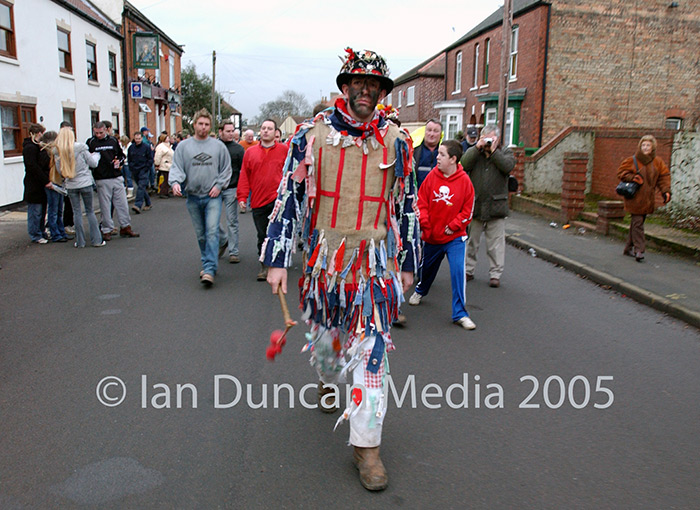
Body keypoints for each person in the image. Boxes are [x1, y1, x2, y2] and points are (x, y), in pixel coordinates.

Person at [263, 48, 419, 491]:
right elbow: (288, 200)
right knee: (327, 349)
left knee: (371, 358)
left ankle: (366, 448)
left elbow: (406, 205)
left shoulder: (397, 141)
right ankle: (329, 381)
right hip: (324, 269)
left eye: (375, 85)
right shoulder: (309, 137)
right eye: (359, 83)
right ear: (345, 87)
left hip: (373, 270)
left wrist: (407, 263)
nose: (366, 91)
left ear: (383, 92)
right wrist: (276, 259)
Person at [408, 140, 476, 329]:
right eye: (438, 153)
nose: (437, 157)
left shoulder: (465, 182)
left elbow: (468, 210)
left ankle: (460, 313)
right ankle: (421, 290)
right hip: (433, 236)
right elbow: (421, 202)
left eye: (442, 154)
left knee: (457, 271)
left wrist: (454, 225)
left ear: (453, 159)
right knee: (427, 271)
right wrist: (426, 225)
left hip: (455, 237)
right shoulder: (432, 177)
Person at [169, 109, 232, 287]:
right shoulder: (183, 147)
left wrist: (219, 185)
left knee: (211, 231)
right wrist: (175, 183)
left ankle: (209, 268)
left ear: (210, 126)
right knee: (201, 234)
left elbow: (226, 169)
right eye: (200, 124)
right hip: (193, 196)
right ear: (194, 124)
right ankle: (208, 261)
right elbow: (177, 167)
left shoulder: (218, 147)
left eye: (206, 125)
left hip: (212, 196)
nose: (203, 128)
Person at [460, 123, 515, 288]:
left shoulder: (505, 153)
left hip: (496, 205)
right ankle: (468, 270)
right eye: (486, 138)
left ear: (498, 139)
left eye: (492, 138)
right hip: (476, 205)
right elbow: (463, 164)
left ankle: (495, 273)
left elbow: (507, 166)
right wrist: (477, 148)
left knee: (496, 244)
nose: (489, 142)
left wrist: (494, 152)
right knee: (471, 241)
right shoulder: (475, 153)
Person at [237, 118, 288, 281]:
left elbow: (291, 173)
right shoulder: (250, 153)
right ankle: (264, 264)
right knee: (263, 234)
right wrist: (242, 196)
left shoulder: (284, 150)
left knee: (278, 233)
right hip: (258, 201)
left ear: (275, 133)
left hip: (278, 200)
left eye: (270, 128)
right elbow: (244, 175)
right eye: (264, 128)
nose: (266, 131)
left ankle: (276, 263)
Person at [616, 135, 671, 262]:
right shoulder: (632, 160)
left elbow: (664, 177)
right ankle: (639, 250)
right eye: (643, 145)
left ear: (653, 148)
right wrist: (633, 177)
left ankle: (627, 248)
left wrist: (666, 192)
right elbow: (621, 172)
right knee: (638, 223)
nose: (645, 148)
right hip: (634, 198)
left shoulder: (658, 162)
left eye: (648, 145)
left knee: (636, 224)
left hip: (648, 199)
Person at [86, 122, 139, 239]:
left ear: (106, 131)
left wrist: (118, 161)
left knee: (122, 204)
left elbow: (121, 156)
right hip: (101, 178)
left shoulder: (113, 141)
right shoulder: (91, 142)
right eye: (96, 133)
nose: (99, 135)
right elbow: (88, 160)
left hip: (116, 175)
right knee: (105, 206)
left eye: (101, 132)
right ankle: (106, 229)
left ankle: (125, 226)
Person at [54, 127, 104, 247]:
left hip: (71, 184)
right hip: (85, 182)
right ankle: (96, 240)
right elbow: (93, 163)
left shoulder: (58, 152)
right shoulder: (81, 148)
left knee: (77, 213)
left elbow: (60, 172)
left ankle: (80, 241)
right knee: (90, 211)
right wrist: (97, 155)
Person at [218, 120, 245, 263]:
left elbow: (243, 171)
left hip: (231, 188)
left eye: (232, 131)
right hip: (214, 189)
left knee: (232, 221)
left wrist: (240, 190)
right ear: (220, 131)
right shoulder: (214, 147)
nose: (231, 134)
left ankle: (233, 251)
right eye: (228, 131)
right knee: (212, 221)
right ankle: (223, 239)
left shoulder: (239, 149)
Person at [22, 123, 48, 243]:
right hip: (34, 184)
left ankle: (41, 231)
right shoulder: (30, 148)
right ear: (39, 133)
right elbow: (33, 167)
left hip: (39, 183)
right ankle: (36, 234)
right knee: (35, 211)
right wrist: (45, 179)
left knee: (41, 210)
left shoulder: (36, 147)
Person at [41, 131, 68, 243]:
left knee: (59, 209)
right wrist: (47, 182)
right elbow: (44, 169)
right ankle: (55, 233)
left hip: (58, 182)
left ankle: (61, 232)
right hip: (52, 183)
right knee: (54, 210)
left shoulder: (54, 152)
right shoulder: (45, 153)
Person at [128, 132, 154, 213]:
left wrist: (147, 168)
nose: (138, 140)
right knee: (141, 187)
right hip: (135, 170)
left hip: (143, 169)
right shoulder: (131, 148)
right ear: (134, 138)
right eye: (136, 139)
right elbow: (129, 159)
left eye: (139, 139)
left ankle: (137, 205)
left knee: (141, 186)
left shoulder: (146, 147)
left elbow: (150, 159)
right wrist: (131, 167)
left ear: (142, 138)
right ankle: (148, 203)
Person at [413, 119, 442, 189]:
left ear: (441, 134)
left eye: (435, 131)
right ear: (425, 132)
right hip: (418, 195)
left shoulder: (446, 153)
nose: (431, 134)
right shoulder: (414, 151)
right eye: (429, 130)